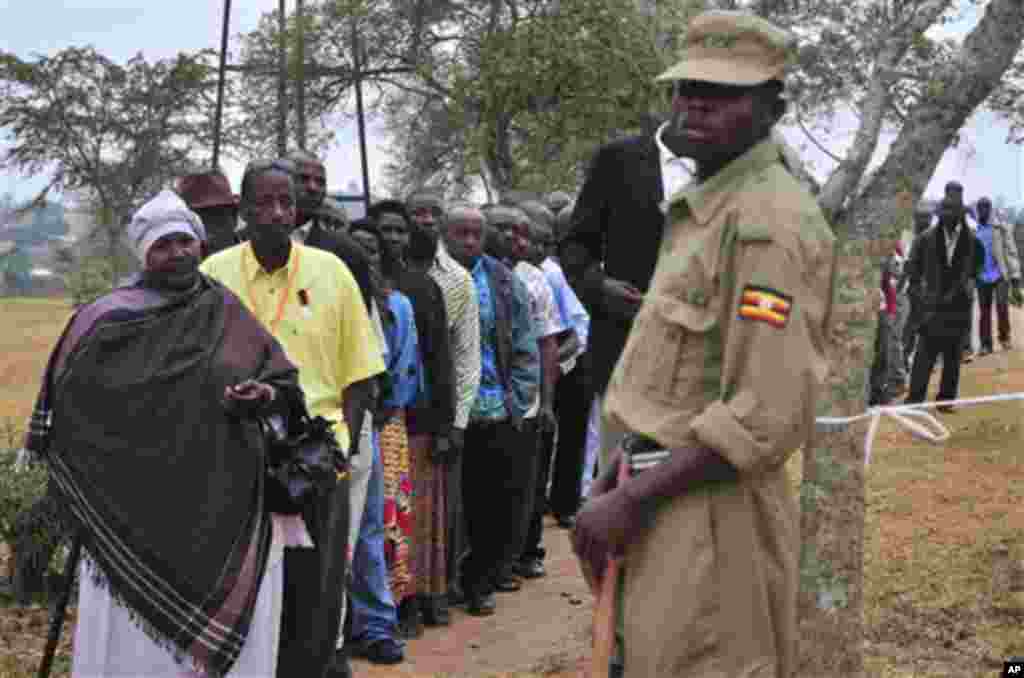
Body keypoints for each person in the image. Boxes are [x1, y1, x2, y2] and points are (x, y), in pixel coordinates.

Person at [572, 12, 835, 677]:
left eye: (722, 93)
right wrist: (622, 467)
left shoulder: (765, 221)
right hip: (662, 496)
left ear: (773, 106)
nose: (694, 106)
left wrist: (633, 498)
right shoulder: (708, 206)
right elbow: (675, 381)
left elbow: (765, 413)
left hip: (713, 518)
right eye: (687, 88)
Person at [26, 190, 309, 677]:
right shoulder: (105, 321)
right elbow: (69, 405)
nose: (178, 252)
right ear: (144, 253)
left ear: (200, 244)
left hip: (224, 505)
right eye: (163, 244)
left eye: (185, 241)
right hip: (131, 515)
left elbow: (283, 381)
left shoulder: (225, 309)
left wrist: (261, 395)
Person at [200, 160, 386, 678]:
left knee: (315, 593)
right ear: (243, 210)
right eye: (265, 202)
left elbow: (362, 375)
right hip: (237, 453)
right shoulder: (215, 274)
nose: (279, 213)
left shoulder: (332, 273)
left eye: (286, 202)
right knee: (246, 590)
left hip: (314, 458)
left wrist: (344, 448)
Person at [282, 151, 403, 669]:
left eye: (318, 180)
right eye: (299, 179)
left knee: (339, 545)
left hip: (338, 426)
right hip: (267, 428)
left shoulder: (344, 254)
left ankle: (330, 650)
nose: (309, 188)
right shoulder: (237, 255)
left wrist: (357, 431)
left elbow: (368, 346)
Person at [559, 43, 696, 475]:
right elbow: (576, 245)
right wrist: (598, 286)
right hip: (624, 347)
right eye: (689, 94)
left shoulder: (728, 172)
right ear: (671, 98)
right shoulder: (617, 160)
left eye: (715, 99)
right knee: (621, 478)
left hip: (700, 358)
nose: (700, 109)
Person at [442, 204, 540, 617]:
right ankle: (442, 585)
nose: (468, 241)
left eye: (475, 234)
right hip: (449, 414)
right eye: (460, 233)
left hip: (495, 411)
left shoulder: (503, 281)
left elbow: (525, 347)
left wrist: (515, 402)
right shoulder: (436, 278)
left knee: (489, 504)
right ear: (446, 236)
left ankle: (480, 581)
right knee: (449, 504)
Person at [407, 190, 482, 612]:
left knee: (438, 508)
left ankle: (436, 592)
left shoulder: (457, 279)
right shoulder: (387, 270)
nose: (424, 220)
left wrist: (456, 422)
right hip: (396, 406)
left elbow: (467, 358)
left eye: (433, 213)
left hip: (439, 409)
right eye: (416, 212)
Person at [348, 218, 424, 638]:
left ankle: (391, 609)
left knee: (388, 521)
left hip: (385, 423)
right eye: (356, 248)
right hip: (344, 422)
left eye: (371, 250)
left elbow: (403, 366)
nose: (364, 257)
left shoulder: (396, 305)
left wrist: (378, 410)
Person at [486, 204, 564, 588]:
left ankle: (522, 555)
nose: (514, 239)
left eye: (520, 232)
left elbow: (549, 342)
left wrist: (547, 402)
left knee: (525, 485)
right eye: (503, 229)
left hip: (528, 399)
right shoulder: (476, 276)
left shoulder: (535, 280)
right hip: (484, 401)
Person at [386, 215, 457, 631]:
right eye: (385, 232)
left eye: (399, 231)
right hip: (380, 418)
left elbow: (440, 357)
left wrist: (445, 426)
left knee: (420, 515)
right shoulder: (365, 285)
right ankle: (394, 601)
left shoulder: (423, 287)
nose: (392, 238)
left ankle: (423, 597)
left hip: (420, 419)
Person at [904, 196, 983, 412]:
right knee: (924, 356)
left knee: (952, 358)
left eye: (954, 215)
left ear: (961, 216)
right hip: (931, 306)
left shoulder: (972, 241)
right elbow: (913, 269)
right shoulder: (925, 239)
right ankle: (914, 400)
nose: (949, 219)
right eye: (945, 215)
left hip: (958, 307)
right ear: (940, 216)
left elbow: (978, 266)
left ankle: (946, 401)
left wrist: (969, 283)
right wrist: (918, 295)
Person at [974, 196, 1022, 354]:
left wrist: (1015, 276)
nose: (982, 210)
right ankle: (985, 344)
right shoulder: (974, 231)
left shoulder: (1000, 228)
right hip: (982, 275)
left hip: (1000, 273)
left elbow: (1011, 251)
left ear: (990, 209)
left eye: (985, 207)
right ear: (977, 210)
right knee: (984, 310)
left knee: (1002, 305)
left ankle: (1004, 337)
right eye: (980, 207)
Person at [176, 169, 241, 256]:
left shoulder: (258, 259)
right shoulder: (175, 265)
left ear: (234, 217)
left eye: (217, 219)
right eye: (196, 225)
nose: (208, 235)